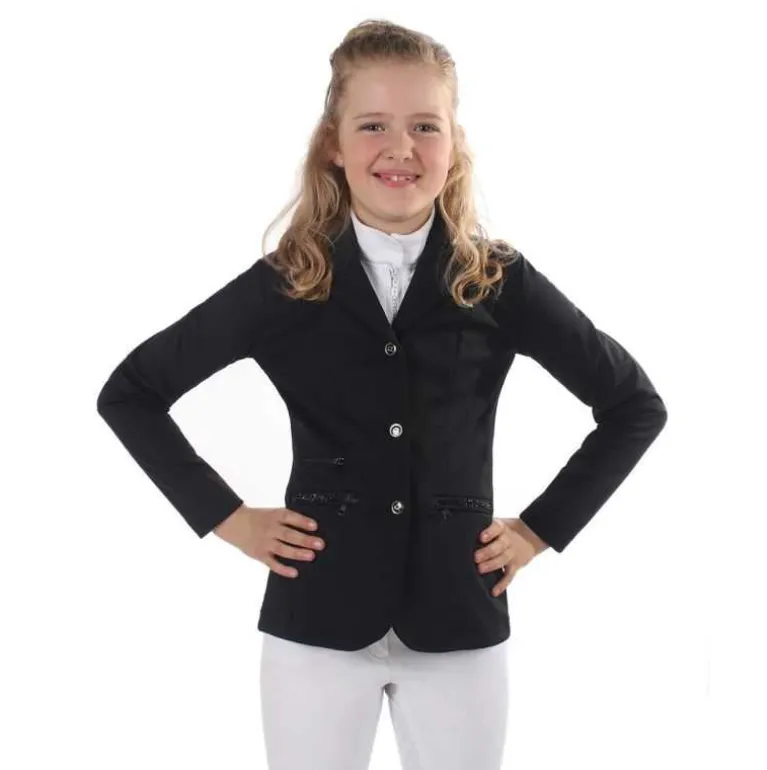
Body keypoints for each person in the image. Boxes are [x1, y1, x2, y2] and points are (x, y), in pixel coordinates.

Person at [96, 18, 668, 770]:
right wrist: (228, 520)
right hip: (317, 619)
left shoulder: (497, 279)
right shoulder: (288, 281)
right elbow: (132, 392)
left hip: (458, 618)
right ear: (333, 144)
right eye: (373, 125)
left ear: (454, 144)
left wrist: (538, 530)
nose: (401, 149)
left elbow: (633, 406)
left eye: (425, 126)